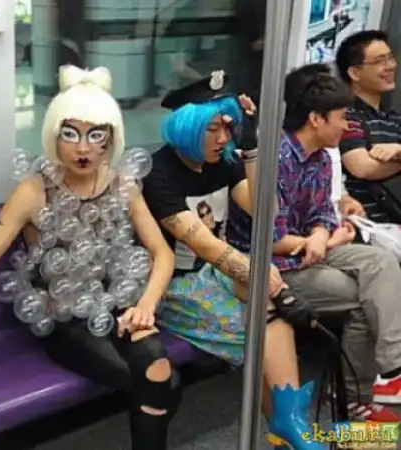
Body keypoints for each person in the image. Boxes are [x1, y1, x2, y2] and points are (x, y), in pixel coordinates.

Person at [0, 65, 181, 450]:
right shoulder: (34, 192)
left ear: (110, 138)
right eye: (71, 134)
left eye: (95, 135)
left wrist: (145, 306)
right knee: (161, 385)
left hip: (119, 305)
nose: (82, 148)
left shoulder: (123, 185)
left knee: (161, 371)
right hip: (63, 317)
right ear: (53, 135)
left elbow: (161, 252)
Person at [142, 70, 324, 449]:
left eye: (229, 127)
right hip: (172, 284)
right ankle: (290, 431)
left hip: (215, 271)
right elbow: (203, 245)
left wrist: (252, 148)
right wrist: (259, 275)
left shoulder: (223, 161)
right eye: (213, 129)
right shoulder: (158, 173)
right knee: (259, 324)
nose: (223, 138)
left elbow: (267, 210)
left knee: (272, 313)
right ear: (187, 127)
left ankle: (290, 424)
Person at [227, 63, 401, 420]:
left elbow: (322, 213)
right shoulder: (273, 160)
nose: (347, 126)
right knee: (364, 296)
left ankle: (392, 371)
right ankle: (359, 395)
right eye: (341, 117)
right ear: (316, 119)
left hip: (311, 250)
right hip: (273, 266)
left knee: (380, 262)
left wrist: (322, 235)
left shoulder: (321, 158)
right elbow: (269, 236)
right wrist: (317, 242)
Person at [335, 30, 401, 223]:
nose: (390, 66)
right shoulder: (345, 115)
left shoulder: (395, 119)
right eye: (380, 61)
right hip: (368, 227)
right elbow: (363, 167)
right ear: (355, 72)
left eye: (390, 58)